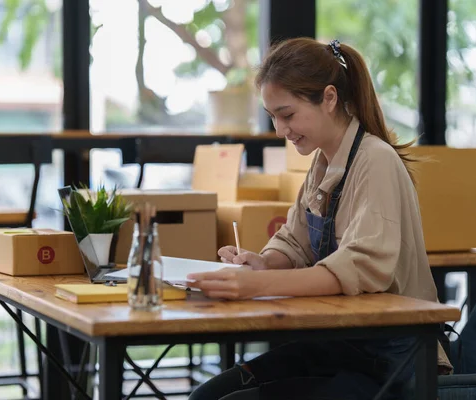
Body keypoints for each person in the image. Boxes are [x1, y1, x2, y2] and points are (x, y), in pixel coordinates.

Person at [186, 37, 452, 400]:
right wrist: (263, 263)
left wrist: (254, 286)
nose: (280, 130)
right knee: (208, 395)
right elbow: (295, 241)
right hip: (343, 346)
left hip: (392, 362)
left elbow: (362, 266)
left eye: (288, 114)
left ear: (328, 98)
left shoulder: (375, 160)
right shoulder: (323, 161)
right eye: (273, 117)